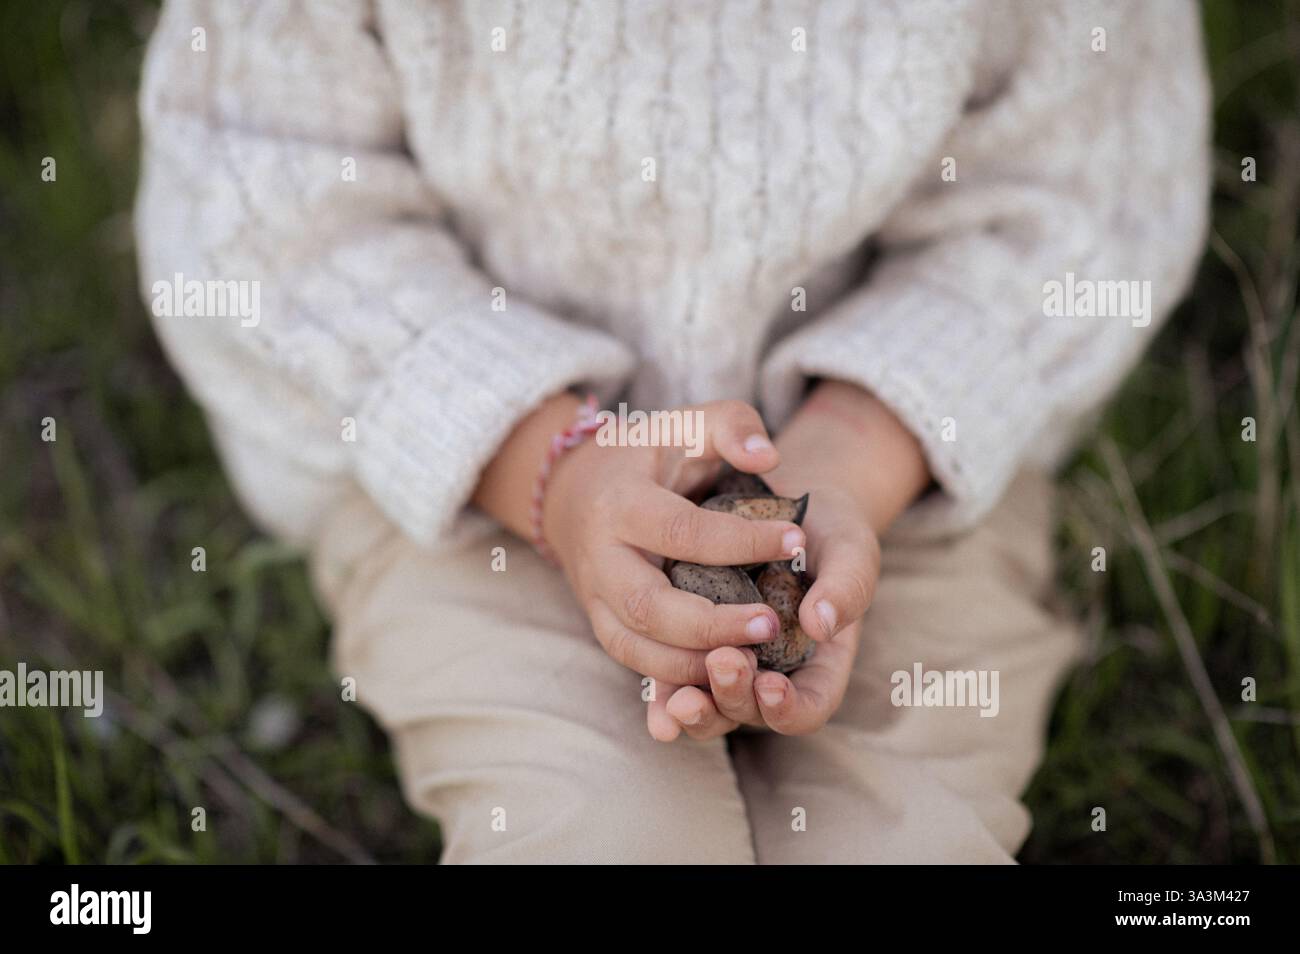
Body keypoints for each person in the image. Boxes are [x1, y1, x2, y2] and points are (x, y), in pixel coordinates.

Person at [135, 0, 1211, 863]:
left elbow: (1078, 190)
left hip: (911, 468)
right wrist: (547, 466)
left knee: (910, 832)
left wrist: (851, 453)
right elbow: (259, 195)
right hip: (476, 490)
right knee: (595, 831)